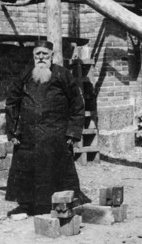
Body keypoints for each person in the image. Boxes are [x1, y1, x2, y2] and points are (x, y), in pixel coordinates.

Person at [5, 40, 85, 216]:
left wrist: (72, 132)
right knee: (26, 170)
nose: (41, 57)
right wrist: (12, 130)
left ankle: (64, 202)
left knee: (58, 171)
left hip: (55, 135)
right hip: (28, 135)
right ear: (34, 56)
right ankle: (26, 205)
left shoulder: (63, 75)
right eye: (37, 54)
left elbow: (77, 104)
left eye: (44, 54)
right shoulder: (25, 75)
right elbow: (12, 101)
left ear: (52, 56)